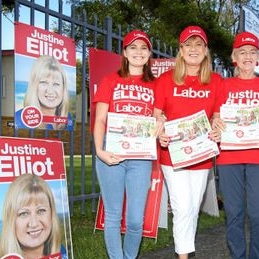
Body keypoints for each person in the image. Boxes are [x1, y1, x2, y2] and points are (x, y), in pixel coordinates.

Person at [153, 25, 222, 259]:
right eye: (188, 44)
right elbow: (157, 115)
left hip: (202, 156)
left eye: (199, 44)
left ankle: (186, 251)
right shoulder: (165, 80)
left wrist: (217, 129)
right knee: (182, 207)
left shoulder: (216, 81)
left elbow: (217, 116)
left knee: (192, 209)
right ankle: (183, 256)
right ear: (181, 50)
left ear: (205, 50)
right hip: (172, 155)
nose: (194, 49)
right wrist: (159, 131)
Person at [210, 31, 259, 259]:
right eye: (242, 52)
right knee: (234, 212)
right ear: (235, 57)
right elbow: (216, 117)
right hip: (229, 156)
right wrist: (216, 123)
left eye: (252, 52)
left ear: (258, 58)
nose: (247, 56)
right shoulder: (223, 84)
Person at [93, 29, 155, 259]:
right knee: (112, 215)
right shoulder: (110, 80)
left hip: (141, 156)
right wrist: (100, 151)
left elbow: (159, 117)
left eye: (143, 48)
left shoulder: (156, 85)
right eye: (133, 47)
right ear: (125, 52)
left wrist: (160, 123)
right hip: (112, 153)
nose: (138, 52)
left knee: (136, 220)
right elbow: (100, 119)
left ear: (149, 54)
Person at [0, 174, 67, 259]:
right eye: (24, 213)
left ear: (51, 214)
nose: (34, 223)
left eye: (41, 211)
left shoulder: (61, 252)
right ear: (11, 221)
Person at [15, 55, 73, 130]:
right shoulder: (19, 119)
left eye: (56, 84)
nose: (50, 91)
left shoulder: (68, 117)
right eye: (44, 82)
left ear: (63, 88)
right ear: (34, 86)